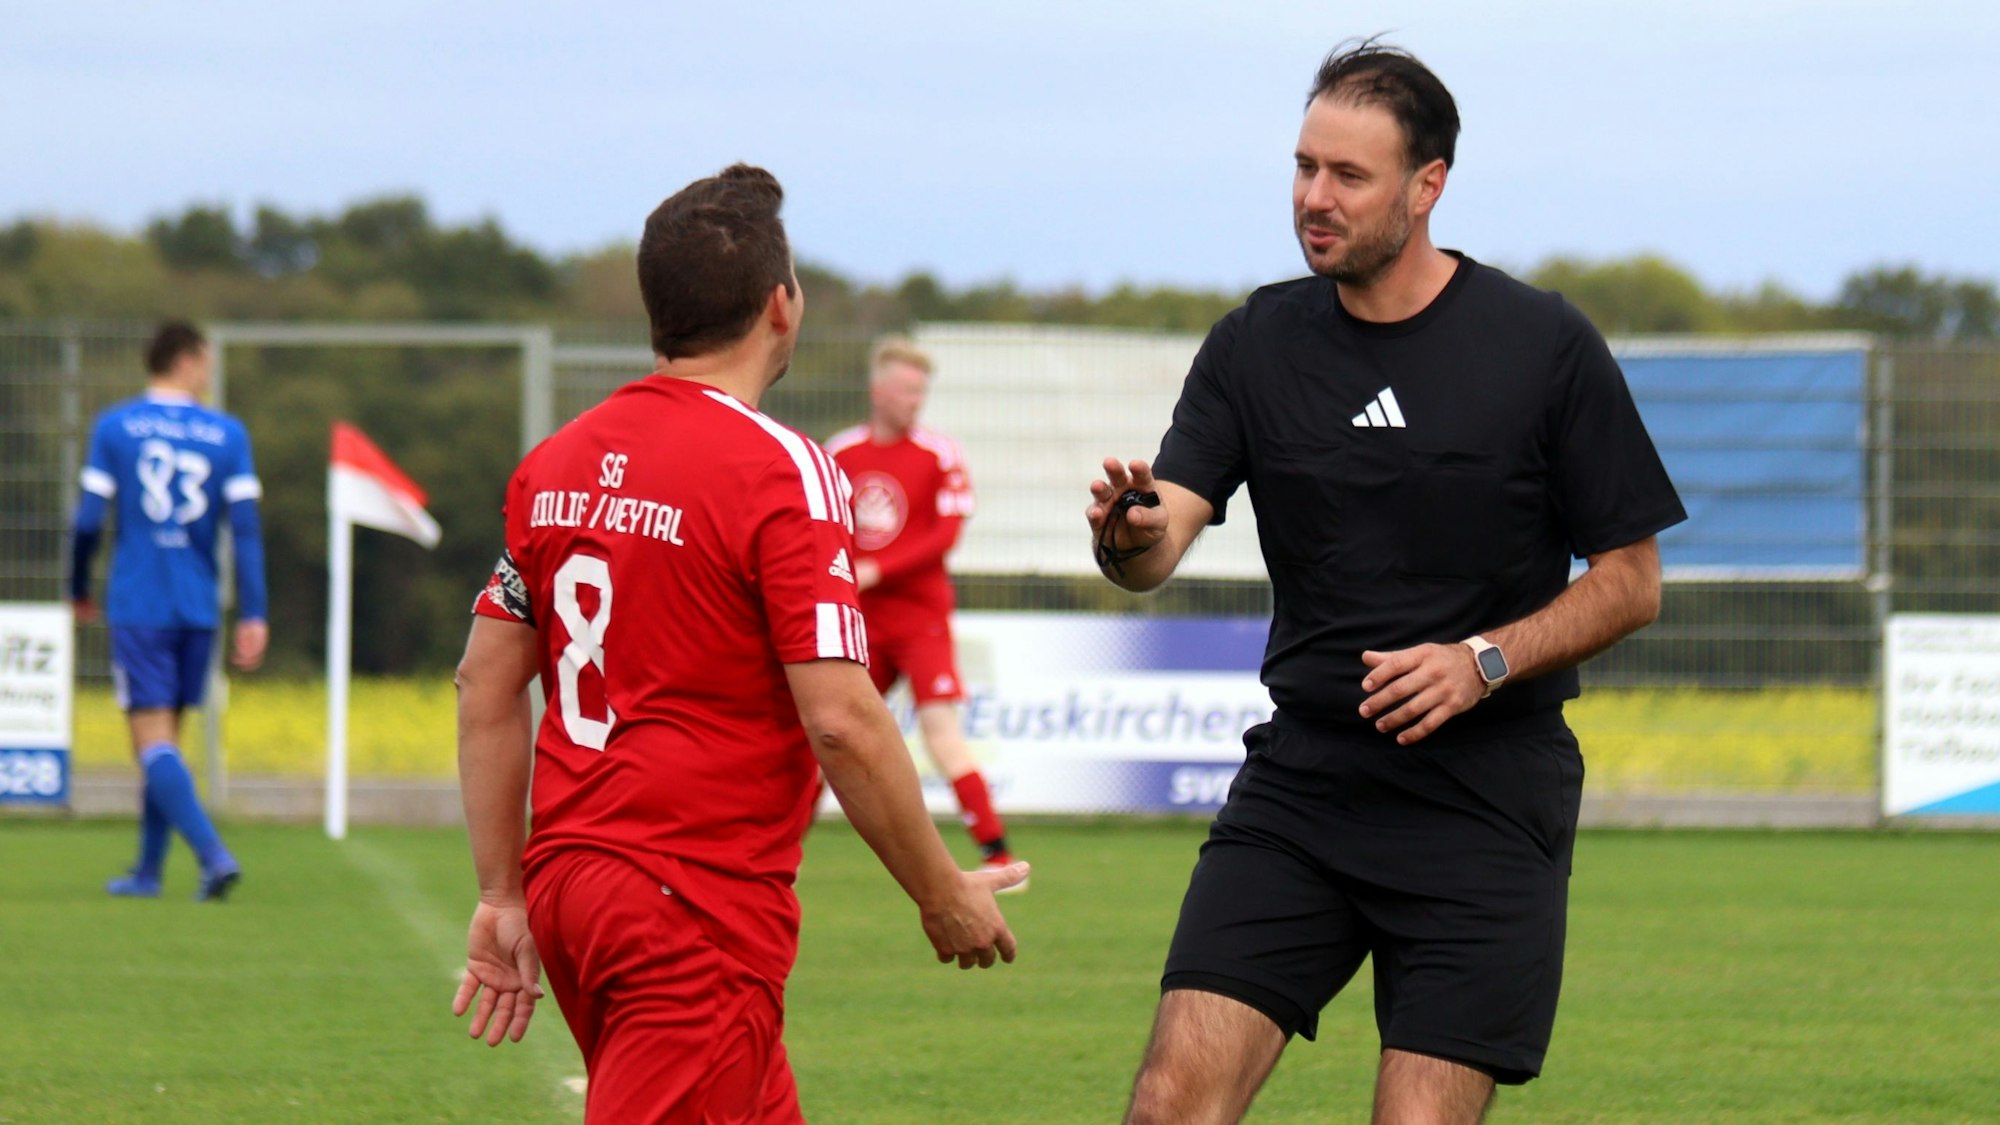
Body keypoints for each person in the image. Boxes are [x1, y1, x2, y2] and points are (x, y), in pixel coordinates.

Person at [1087, 41, 1686, 1125]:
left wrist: (1482, 661)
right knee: (1168, 1101)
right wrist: (1124, 534)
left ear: (1427, 186)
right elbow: (1156, 537)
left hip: (1485, 798)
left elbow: (1630, 581)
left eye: (1347, 177)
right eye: (1304, 167)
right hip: (1303, 789)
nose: (1314, 199)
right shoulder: (1254, 342)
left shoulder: (1539, 343)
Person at [450, 164, 1027, 1124]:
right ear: (780, 305)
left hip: (569, 885)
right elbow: (843, 718)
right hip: (691, 906)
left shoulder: (555, 462)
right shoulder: (784, 468)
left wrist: (500, 893)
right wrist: (940, 892)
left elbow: (483, 681)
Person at [71, 321, 268, 902]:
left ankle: (212, 855)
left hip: (140, 599)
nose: (208, 373)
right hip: (198, 605)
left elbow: (87, 521)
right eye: (205, 361)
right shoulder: (227, 433)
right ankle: (148, 872)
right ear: (186, 360)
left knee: (150, 740)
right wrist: (254, 611)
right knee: (168, 742)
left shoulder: (115, 426)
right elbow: (248, 532)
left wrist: (77, 584)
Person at [825, 339, 1019, 878]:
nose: (916, 400)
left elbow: (945, 535)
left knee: (941, 733)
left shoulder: (940, 453)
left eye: (921, 391)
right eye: (907, 389)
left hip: (920, 618)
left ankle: (996, 851)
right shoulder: (841, 453)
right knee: (827, 734)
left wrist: (877, 568)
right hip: (859, 621)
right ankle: (775, 851)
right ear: (878, 390)